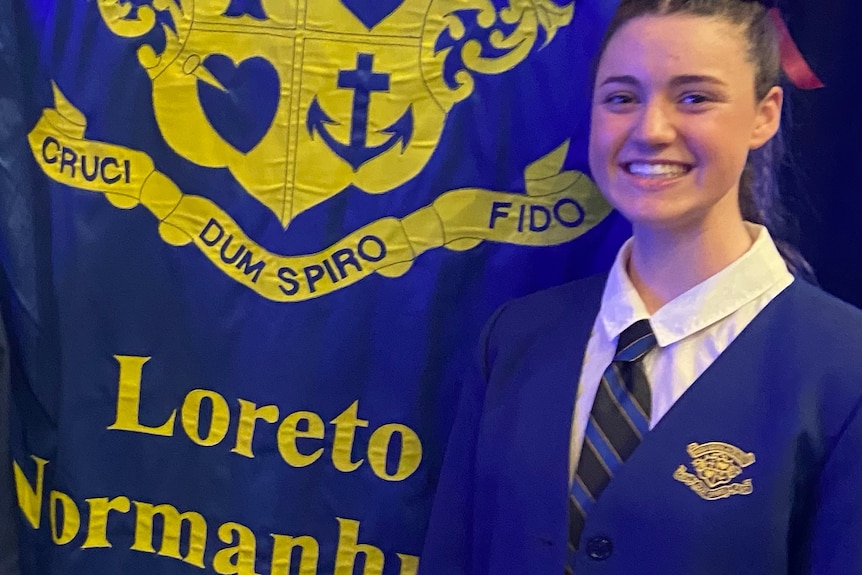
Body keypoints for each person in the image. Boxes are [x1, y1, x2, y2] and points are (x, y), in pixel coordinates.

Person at [418, 0, 862, 573]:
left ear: (764, 113)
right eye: (622, 98)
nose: (650, 130)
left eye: (695, 97)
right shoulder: (517, 337)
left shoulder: (845, 366)